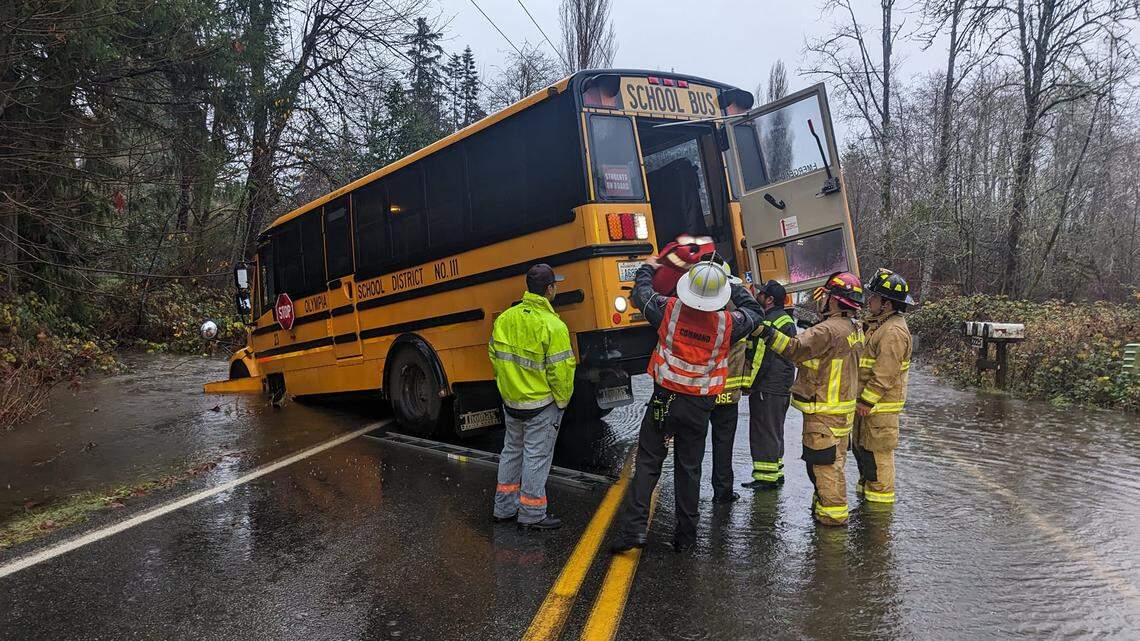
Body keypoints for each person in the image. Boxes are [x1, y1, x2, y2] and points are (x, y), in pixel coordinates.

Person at [611, 259, 764, 553]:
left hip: (664, 400)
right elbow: (756, 312)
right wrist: (730, 283)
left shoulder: (668, 310)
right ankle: (686, 537)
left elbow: (641, 293)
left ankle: (633, 530)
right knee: (689, 469)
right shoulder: (726, 325)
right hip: (698, 407)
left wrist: (647, 268)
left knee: (647, 463)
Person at [754, 272, 864, 526]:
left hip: (823, 411)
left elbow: (794, 348)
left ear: (835, 301)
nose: (822, 299)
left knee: (824, 468)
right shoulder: (853, 327)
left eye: (826, 296)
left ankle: (832, 524)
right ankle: (825, 508)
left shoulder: (828, 330)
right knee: (834, 464)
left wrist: (764, 332)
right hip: (840, 411)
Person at [488, 264, 576, 531]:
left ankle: (503, 508)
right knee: (536, 457)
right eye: (554, 285)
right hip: (541, 405)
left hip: (512, 403)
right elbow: (561, 372)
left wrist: (508, 390)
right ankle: (532, 513)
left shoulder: (505, 319)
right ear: (549, 290)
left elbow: (495, 358)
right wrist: (562, 401)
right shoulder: (554, 326)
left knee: (512, 452)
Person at [853, 269, 914, 505]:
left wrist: (866, 401)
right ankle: (866, 502)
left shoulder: (894, 332)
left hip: (879, 408)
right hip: (869, 408)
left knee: (878, 458)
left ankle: (878, 520)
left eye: (874, 297)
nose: (870, 300)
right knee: (865, 455)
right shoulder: (880, 325)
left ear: (886, 304)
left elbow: (884, 373)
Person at [741, 280, 797, 490]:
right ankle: (776, 471)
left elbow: (760, 359)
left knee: (764, 431)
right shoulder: (784, 319)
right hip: (780, 386)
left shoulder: (771, 323)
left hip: (767, 387)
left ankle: (766, 479)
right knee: (774, 430)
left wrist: (750, 384)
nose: (758, 296)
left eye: (762, 294)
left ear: (770, 299)